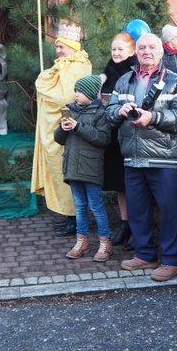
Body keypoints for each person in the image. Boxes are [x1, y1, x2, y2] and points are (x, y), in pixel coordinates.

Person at [106, 33, 177, 282]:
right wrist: (119, 111)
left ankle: (171, 260)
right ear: (136, 52)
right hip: (132, 156)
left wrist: (152, 118)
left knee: (168, 211)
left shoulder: (176, 81)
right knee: (137, 209)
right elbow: (109, 113)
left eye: (152, 47)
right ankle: (145, 254)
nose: (147, 51)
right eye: (142, 47)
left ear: (161, 51)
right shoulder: (124, 80)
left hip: (162, 157)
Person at [31, 25, 93, 237]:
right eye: (56, 46)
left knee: (70, 173)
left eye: (61, 47)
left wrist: (43, 82)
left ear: (71, 46)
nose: (57, 51)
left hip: (71, 127)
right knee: (63, 172)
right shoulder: (64, 65)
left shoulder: (78, 66)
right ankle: (70, 217)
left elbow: (64, 96)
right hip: (60, 127)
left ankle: (77, 220)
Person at [54, 75, 112, 262]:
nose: (76, 95)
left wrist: (78, 127)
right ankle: (82, 241)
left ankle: (105, 242)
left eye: (79, 91)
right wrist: (63, 128)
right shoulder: (70, 111)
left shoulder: (100, 114)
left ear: (89, 93)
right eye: (75, 91)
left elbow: (103, 139)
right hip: (72, 166)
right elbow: (59, 138)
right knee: (79, 207)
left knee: (96, 206)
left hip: (91, 168)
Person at [99, 32, 138, 248]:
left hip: (130, 133)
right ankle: (124, 223)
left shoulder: (134, 72)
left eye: (120, 49)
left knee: (133, 183)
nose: (116, 53)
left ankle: (137, 225)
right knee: (118, 183)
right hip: (112, 134)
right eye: (113, 49)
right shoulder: (107, 72)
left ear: (131, 52)